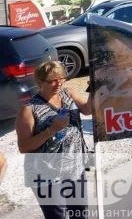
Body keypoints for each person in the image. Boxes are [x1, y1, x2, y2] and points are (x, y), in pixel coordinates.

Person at [15, 60, 92, 219]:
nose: (58, 84)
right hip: (45, 174)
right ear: (40, 82)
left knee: (80, 214)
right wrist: (52, 129)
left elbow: (87, 109)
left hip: (74, 167)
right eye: (53, 80)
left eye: (61, 78)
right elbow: (24, 147)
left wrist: (94, 89)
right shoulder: (29, 109)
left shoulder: (68, 93)